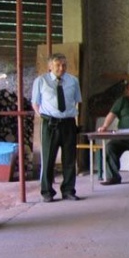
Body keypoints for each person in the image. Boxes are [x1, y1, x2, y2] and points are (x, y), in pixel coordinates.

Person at [32, 53, 82, 202]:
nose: (61, 68)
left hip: (68, 123)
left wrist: (71, 117)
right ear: (50, 66)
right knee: (48, 159)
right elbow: (35, 103)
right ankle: (47, 192)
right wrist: (43, 116)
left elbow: (76, 101)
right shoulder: (41, 81)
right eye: (57, 65)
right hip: (50, 124)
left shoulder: (73, 81)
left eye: (64, 65)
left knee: (70, 159)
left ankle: (68, 190)